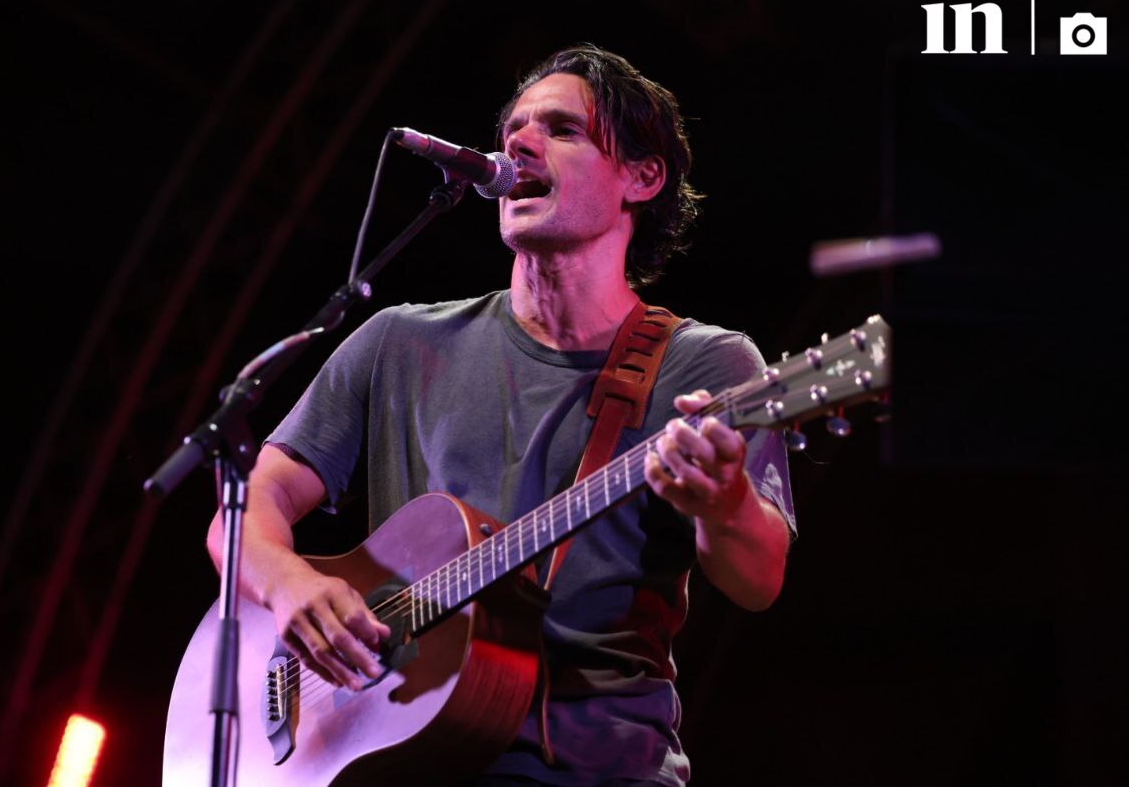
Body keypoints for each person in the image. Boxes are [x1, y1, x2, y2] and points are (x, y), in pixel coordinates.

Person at [206, 45, 795, 785]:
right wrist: (289, 584)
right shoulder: (399, 342)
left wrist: (724, 501)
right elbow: (245, 509)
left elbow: (758, 580)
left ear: (642, 178)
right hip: (406, 764)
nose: (518, 145)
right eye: (513, 129)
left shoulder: (707, 366)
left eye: (562, 129)